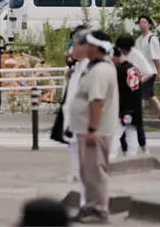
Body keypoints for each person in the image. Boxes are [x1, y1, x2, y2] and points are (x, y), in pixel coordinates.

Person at [67, 30, 118, 224]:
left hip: (96, 131)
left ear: (96, 47)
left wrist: (92, 129)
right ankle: (90, 206)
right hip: (87, 129)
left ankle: (98, 209)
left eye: (87, 44)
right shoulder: (95, 67)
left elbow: (97, 102)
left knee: (95, 172)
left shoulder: (100, 70)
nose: (84, 48)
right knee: (87, 171)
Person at [51, 25, 91, 207]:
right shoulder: (78, 67)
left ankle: (91, 205)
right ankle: (84, 203)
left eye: (75, 44)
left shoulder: (90, 67)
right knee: (79, 162)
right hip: (73, 121)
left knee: (89, 167)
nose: (71, 49)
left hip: (86, 123)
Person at [114, 34, 153, 154]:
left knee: (132, 124)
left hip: (132, 93)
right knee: (130, 127)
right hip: (124, 95)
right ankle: (128, 151)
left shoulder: (136, 55)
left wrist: (134, 82)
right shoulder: (120, 60)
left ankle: (143, 147)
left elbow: (149, 72)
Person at [111, 42, 144, 160]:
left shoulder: (119, 70)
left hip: (124, 105)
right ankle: (132, 156)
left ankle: (111, 156)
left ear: (115, 56)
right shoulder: (133, 68)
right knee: (132, 131)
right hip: (135, 105)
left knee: (115, 132)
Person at [135, 15, 160, 124]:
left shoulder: (152, 39)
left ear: (149, 25)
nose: (142, 24)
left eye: (144, 22)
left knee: (141, 95)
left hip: (150, 71)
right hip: (140, 72)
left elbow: (157, 58)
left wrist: (159, 72)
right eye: (140, 22)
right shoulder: (138, 39)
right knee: (150, 95)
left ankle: (137, 117)